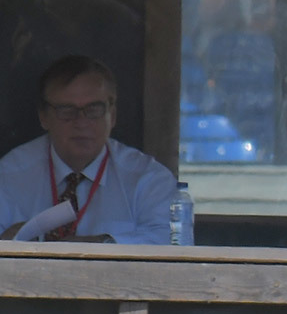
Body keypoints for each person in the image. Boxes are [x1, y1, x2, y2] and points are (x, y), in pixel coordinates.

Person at [0, 56, 177, 244]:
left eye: (94, 110)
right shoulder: (9, 175)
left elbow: (172, 241)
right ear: (43, 117)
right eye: (67, 110)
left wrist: (103, 245)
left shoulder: (147, 178)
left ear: (112, 116)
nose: (81, 123)